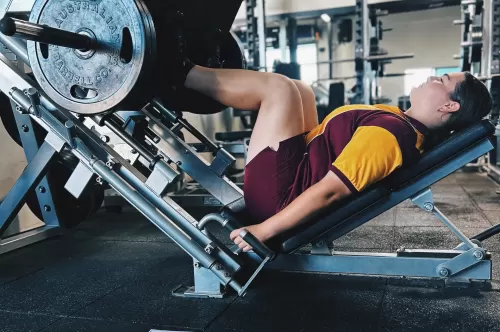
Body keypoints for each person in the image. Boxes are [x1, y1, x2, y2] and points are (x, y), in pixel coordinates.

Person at [172, 54, 492, 252]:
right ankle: (192, 77)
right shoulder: (403, 124)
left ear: (449, 105)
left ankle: (175, 73)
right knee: (300, 89)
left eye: (443, 79)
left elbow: (330, 193)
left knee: (279, 90)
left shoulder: (392, 136)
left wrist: (262, 231)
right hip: (301, 169)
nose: (433, 77)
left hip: (280, 199)